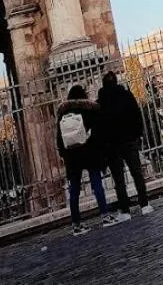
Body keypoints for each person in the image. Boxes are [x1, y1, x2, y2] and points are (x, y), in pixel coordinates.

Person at [56, 85, 122, 234]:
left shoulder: (63, 112)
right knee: (97, 184)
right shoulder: (90, 109)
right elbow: (99, 132)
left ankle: (76, 224)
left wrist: (63, 154)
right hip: (89, 153)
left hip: (72, 156)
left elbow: (59, 138)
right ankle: (105, 215)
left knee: (74, 190)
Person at [97, 71, 152, 218]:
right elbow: (136, 115)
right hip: (129, 140)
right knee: (136, 173)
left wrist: (104, 145)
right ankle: (144, 204)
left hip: (112, 145)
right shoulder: (126, 95)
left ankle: (125, 210)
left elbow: (100, 127)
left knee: (118, 179)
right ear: (116, 82)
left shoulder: (101, 102)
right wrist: (137, 135)